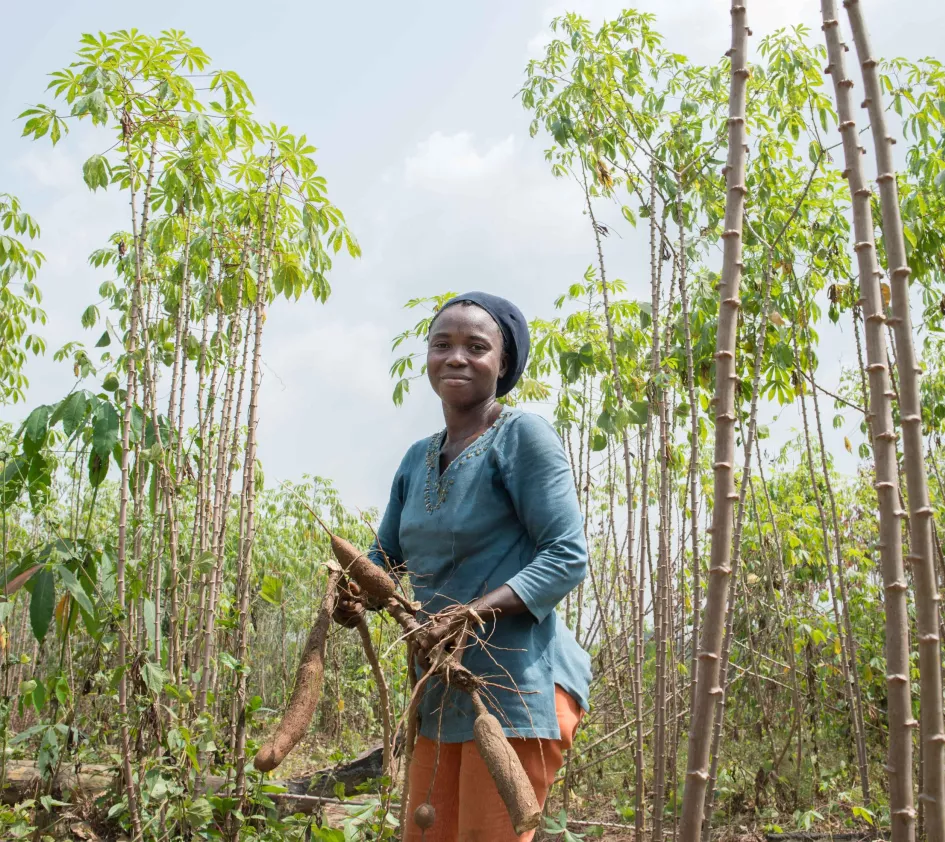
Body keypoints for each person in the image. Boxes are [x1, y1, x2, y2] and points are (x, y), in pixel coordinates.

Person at [334, 291, 592, 841]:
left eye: (477, 346)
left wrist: (472, 612)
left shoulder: (522, 438)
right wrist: (354, 590)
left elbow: (567, 555)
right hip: (439, 689)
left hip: (515, 689)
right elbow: (386, 560)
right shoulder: (415, 459)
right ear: (427, 358)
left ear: (503, 364)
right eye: (442, 345)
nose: (457, 357)